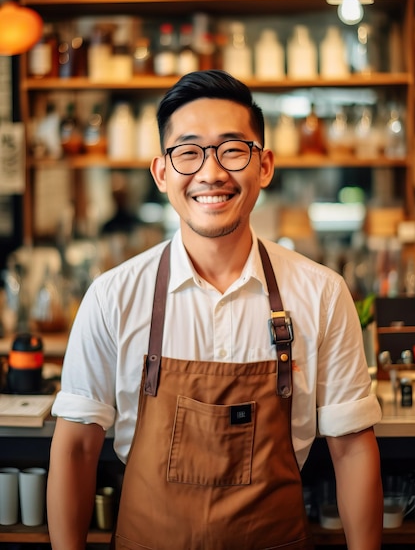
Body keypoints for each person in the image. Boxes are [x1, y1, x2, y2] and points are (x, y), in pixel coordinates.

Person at [47, 70, 383, 550]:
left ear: (264, 165)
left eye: (232, 149)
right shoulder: (112, 297)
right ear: (162, 173)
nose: (211, 173)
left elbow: (352, 449)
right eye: (188, 152)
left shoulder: (322, 294)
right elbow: (77, 448)